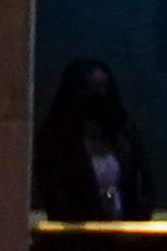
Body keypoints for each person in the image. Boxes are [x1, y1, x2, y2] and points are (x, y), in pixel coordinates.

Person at [30, 56, 155, 223]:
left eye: (104, 87)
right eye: (91, 88)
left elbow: (143, 181)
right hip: (77, 237)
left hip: (126, 232)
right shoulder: (56, 138)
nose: (99, 95)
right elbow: (54, 192)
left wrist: (137, 219)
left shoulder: (124, 134)